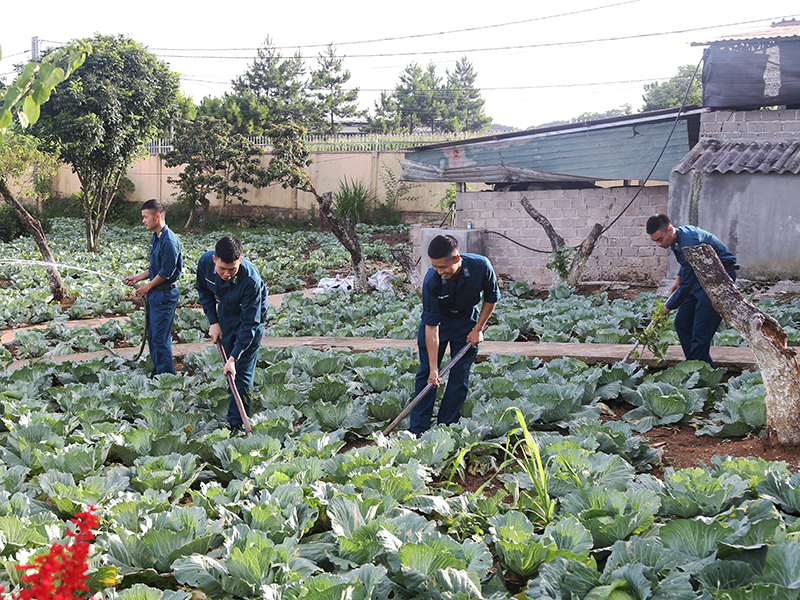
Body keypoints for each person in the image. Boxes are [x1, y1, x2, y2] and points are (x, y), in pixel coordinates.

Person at [411, 234, 499, 435]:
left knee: (459, 376)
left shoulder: (481, 266)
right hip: (439, 320)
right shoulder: (431, 280)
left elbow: (491, 297)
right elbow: (431, 327)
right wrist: (434, 368)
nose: (439, 271)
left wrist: (478, 329)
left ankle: (446, 427)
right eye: (435, 266)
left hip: (466, 320)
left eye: (443, 267)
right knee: (426, 375)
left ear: (457, 259)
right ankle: (418, 431)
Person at [646, 213, 738, 366]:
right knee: (682, 322)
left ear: (670, 230)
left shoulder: (689, 242)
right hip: (701, 276)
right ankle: (699, 366)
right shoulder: (677, 238)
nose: (659, 245)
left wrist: (665, 310)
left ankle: (698, 371)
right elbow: (687, 263)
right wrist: (678, 279)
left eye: (660, 239)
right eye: (654, 241)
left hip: (719, 278)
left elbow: (687, 287)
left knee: (701, 332)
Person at [195, 236, 267, 432]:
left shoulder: (250, 279)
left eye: (232, 270)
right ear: (214, 260)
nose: (226, 274)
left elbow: (250, 322)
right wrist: (214, 322)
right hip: (226, 311)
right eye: (222, 269)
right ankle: (236, 405)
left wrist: (234, 358)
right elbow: (204, 291)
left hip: (251, 314)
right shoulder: (204, 263)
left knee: (241, 371)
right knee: (229, 370)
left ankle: (238, 425)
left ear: (240, 261)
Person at [123, 199, 182, 376]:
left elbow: (166, 271)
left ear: (157, 216)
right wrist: (137, 277)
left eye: (145, 217)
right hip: (156, 295)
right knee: (153, 336)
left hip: (165, 295)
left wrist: (147, 286)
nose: (143, 221)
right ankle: (158, 373)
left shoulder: (169, 241)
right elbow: (155, 267)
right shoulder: (157, 237)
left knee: (160, 338)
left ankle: (166, 376)